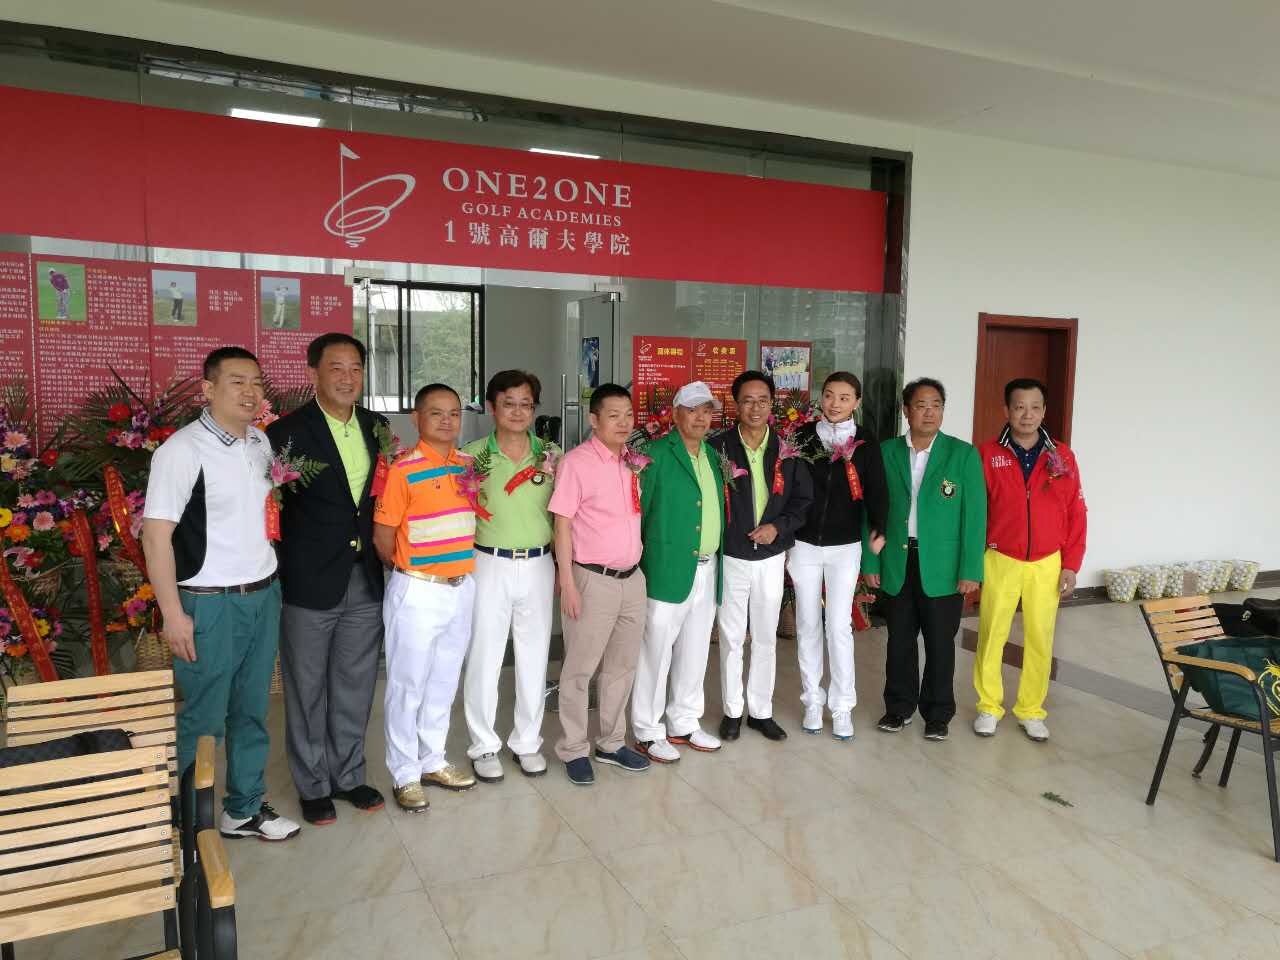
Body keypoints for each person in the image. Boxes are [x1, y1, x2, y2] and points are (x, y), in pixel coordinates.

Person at [142, 346, 300, 842]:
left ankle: (243, 808)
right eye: (237, 381)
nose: (250, 392)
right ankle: (191, 818)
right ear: (208, 389)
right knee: (205, 716)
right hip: (209, 602)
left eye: (256, 382)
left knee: (252, 710)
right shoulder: (182, 451)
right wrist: (173, 614)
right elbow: (156, 537)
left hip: (262, 594)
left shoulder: (260, 443)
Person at [266, 333, 387, 825]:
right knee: (307, 687)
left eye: (356, 368)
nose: (347, 377)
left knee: (355, 683)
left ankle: (349, 776)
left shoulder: (377, 427)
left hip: (365, 576)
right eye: (336, 367)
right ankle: (313, 784)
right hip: (309, 579)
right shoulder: (285, 433)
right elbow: (272, 508)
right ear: (313, 372)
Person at [373, 383, 478, 812]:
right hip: (418, 589)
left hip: (461, 587)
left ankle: (433, 759)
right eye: (436, 413)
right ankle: (405, 773)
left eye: (454, 413)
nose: (447, 420)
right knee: (407, 684)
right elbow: (383, 536)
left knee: (444, 679)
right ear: (417, 419)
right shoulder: (403, 469)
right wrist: (410, 570)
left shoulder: (469, 465)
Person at [865, 377, 986, 742]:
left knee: (940, 644)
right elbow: (870, 511)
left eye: (936, 405)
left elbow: (974, 517)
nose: (929, 412)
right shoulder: (885, 452)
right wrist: (870, 562)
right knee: (899, 641)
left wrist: (970, 569)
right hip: (897, 561)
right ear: (906, 410)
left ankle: (938, 713)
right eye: (921, 405)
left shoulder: (962, 454)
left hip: (944, 566)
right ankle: (898, 708)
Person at [973, 378, 1087, 742]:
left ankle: (1031, 710)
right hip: (1000, 557)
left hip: (1047, 561)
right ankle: (989, 706)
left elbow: (1076, 512)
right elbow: (975, 512)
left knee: (1040, 637)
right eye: (1019, 407)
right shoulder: (986, 454)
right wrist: (973, 562)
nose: (1027, 414)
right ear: (1006, 410)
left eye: (1035, 407)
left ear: (1044, 411)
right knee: (992, 633)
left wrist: (1071, 563)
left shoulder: (1062, 456)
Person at [548, 383, 651, 785]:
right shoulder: (577, 463)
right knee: (579, 669)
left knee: (622, 668)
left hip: (632, 580)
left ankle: (611, 742)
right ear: (594, 420)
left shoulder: (632, 461)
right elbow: (562, 524)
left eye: (628, 415)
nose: (624, 423)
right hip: (592, 580)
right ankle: (574, 748)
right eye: (613, 415)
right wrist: (568, 582)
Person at [461, 370, 559, 782]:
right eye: (509, 404)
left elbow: (564, 516)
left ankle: (527, 742)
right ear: (491, 407)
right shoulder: (471, 457)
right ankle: (483, 745)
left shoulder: (552, 455)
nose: (518, 412)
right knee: (484, 656)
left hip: (539, 564)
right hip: (488, 564)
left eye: (526, 405)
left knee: (535, 656)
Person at [708, 371, 813, 742]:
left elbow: (802, 502)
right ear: (736, 404)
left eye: (762, 400)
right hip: (733, 555)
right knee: (732, 637)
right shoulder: (718, 447)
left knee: (766, 636)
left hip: (770, 556)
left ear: (772, 405)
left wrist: (778, 528)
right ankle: (732, 711)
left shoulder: (788, 449)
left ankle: (761, 711)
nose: (755, 408)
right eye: (747, 400)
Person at [631, 380, 726, 763]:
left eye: (707, 410)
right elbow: (639, 514)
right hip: (666, 568)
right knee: (655, 652)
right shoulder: (655, 455)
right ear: (675, 414)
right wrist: (640, 567)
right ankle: (647, 730)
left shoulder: (712, 456)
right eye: (693, 409)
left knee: (695, 649)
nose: (701, 417)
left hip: (707, 568)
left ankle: (684, 721)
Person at [789, 372, 887, 740]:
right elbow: (787, 486)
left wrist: (879, 527)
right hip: (804, 545)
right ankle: (812, 701)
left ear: (856, 403)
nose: (835, 403)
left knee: (839, 626)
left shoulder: (866, 442)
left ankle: (842, 706)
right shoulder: (802, 436)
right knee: (807, 623)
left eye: (844, 398)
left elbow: (877, 489)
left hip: (846, 546)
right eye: (829, 395)